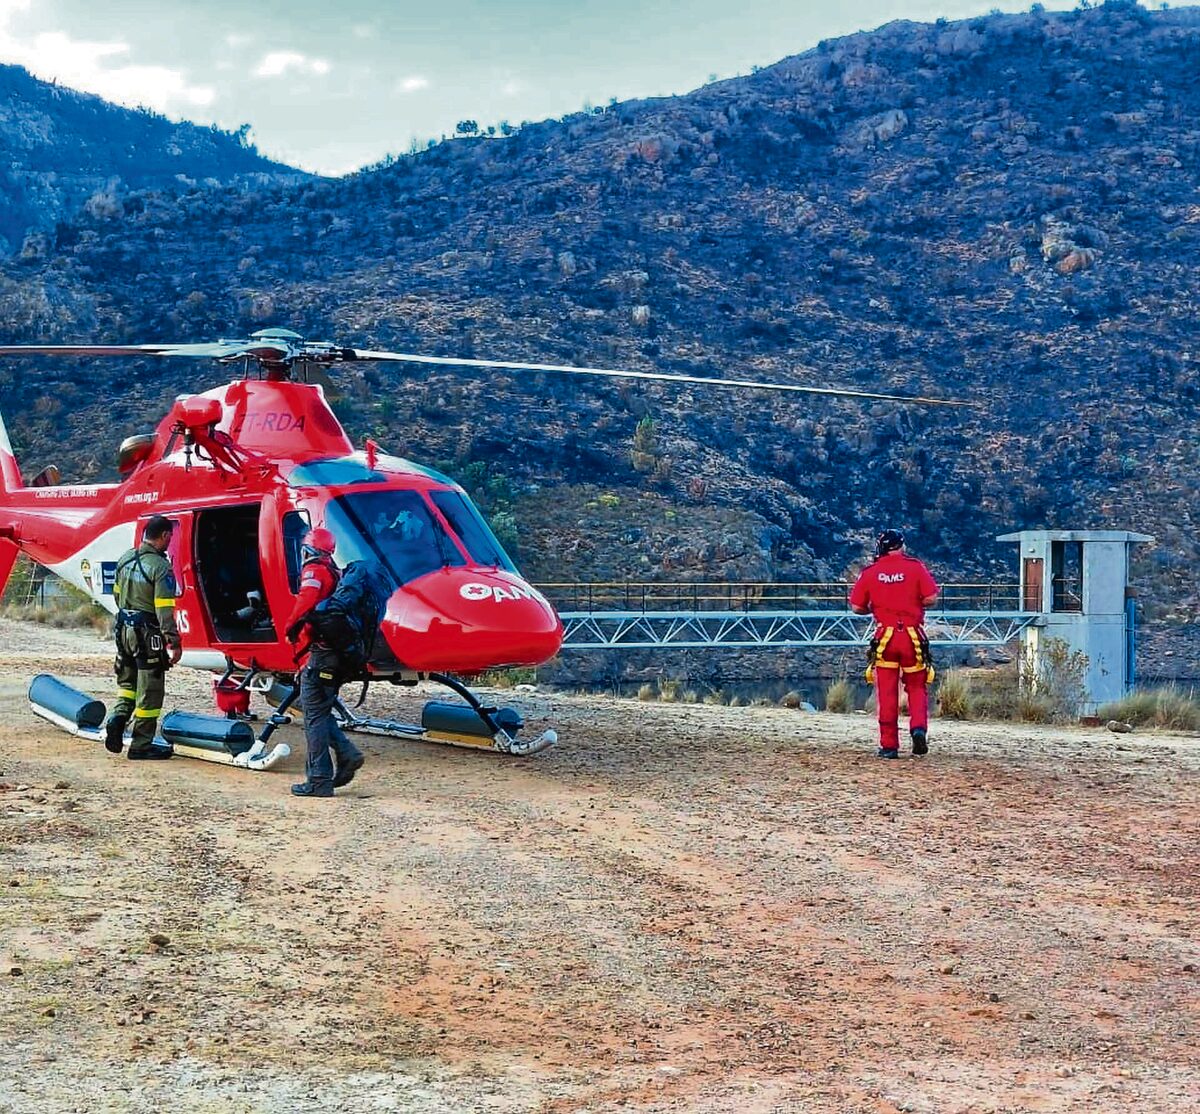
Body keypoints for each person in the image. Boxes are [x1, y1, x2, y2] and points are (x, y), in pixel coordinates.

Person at [284, 527, 365, 797]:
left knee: (314, 718)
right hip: (337, 656)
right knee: (317, 711)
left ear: (308, 550)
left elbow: (305, 603)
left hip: (322, 656)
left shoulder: (314, 572)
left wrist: (289, 628)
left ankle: (319, 780)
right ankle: (346, 753)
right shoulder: (335, 572)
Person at [849, 529, 939, 759]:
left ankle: (889, 746)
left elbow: (857, 607)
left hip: (885, 637)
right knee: (917, 686)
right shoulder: (915, 567)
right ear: (901, 546)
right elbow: (931, 598)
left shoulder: (870, 572)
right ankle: (918, 728)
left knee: (886, 692)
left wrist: (877, 607)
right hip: (912, 636)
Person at [105, 515, 181, 759]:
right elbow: (164, 608)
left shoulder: (126, 558)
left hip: (123, 628)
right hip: (147, 633)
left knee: (127, 684)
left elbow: (117, 596)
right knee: (151, 688)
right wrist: (173, 641)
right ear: (165, 536)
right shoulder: (160, 567)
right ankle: (141, 745)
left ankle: (118, 717)